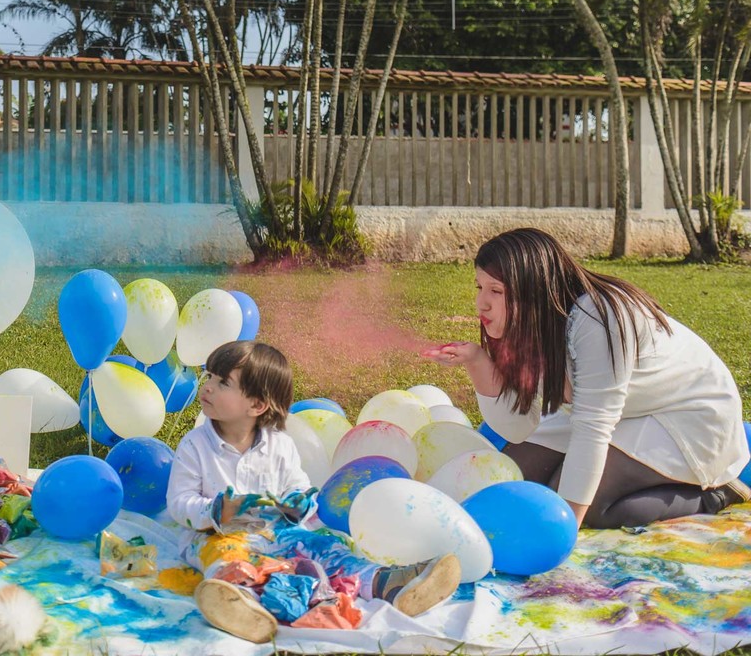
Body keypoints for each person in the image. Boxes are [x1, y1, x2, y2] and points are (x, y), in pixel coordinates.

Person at [423, 227, 750, 530]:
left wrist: (564, 531)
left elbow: (593, 426)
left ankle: (714, 493)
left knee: (587, 506)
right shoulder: (530, 325)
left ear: (533, 289)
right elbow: (516, 427)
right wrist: (478, 362)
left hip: (687, 417)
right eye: (480, 287)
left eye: (497, 290)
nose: (482, 302)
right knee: (516, 479)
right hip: (624, 409)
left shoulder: (598, 319)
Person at [167, 340, 461, 644]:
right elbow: (178, 503)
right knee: (227, 558)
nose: (208, 387)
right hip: (215, 535)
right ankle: (238, 604)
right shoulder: (195, 445)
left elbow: (298, 487)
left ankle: (385, 583)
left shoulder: (279, 445)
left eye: (223, 382)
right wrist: (216, 511)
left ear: (256, 405)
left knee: (325, 547)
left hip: (275, 533)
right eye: (210, 376)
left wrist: (299, 503)